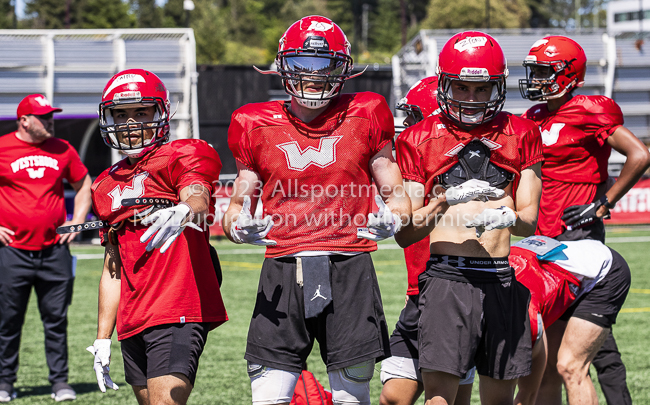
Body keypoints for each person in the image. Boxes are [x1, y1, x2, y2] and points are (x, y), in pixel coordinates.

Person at [223, 15, 410, 405]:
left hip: (350, 262)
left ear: (342, 69)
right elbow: (239, 203)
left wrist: (394, 217)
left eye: (324, 66)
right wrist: (238, 225)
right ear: (283, 66)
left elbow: (397, 193)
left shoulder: (368, 110)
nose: (313, 76)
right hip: (283, 264)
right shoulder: (252, 121)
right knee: (269, 393)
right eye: (302, 65)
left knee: (351, 394)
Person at [394, 31, 544, 405]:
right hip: (448, 277)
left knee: (498, 401)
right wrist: (444, 203)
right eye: (461, 88)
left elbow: (529, 221)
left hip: (501, 277)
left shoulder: (522, 132)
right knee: (440, 401)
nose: (472, 98)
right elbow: (405, 234)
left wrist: (506, 217)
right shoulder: (418, 137)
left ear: (499, 86)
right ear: (444, 83)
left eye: (482, 89)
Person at [520, 35, 650, 405]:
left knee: (573, 362)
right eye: (534, 71)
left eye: (544, 71)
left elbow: (639, 154)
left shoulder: (590, 109)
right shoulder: (534, 117)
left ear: (568, 74)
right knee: (547, 366)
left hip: (579, 241)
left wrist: (603, 202)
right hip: (543, 243)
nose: (536, 79)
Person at [87, 69, 227, 405]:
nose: (130, 122)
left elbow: (197, 194)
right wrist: (103, 337)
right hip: (133, 318)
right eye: (120, 114)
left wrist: (183, 209)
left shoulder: (184, 153)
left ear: (160, 114)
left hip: (178, 308)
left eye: (140, 112)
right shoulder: (103, 184)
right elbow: (112, 267)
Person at [379, 76, 473, 405]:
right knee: (394, 396)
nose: (406, 126)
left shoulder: (457, 171)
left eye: (413, 117)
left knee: (447, 399)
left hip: (452, 294)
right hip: (418, 297)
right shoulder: (410, 166)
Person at [0, 94, 92, 402]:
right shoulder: (2, 148)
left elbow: (84, 185)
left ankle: (60, 383)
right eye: (43, 116)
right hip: (12, 251)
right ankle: (5, 382)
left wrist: (77, 220)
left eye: (51, 115)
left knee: (56, 320)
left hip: (54, 252)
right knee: (8, 321)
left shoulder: (62, 149)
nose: (50, 120)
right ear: (24, 120)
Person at [510, 236, 631, 405]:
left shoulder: (521, 307)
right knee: (546, 371)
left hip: (603, 272)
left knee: (571, 366)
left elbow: (525, 394)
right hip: (558, 278)